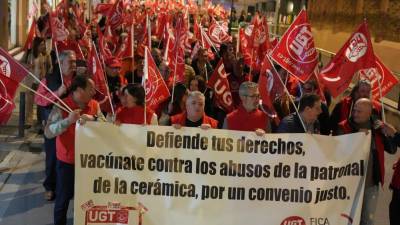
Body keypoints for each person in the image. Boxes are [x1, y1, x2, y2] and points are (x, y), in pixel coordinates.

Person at [44, 75, 105, 225]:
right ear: (79, 90)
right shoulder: (61, 105)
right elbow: (48, 132)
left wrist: (94, 120)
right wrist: (68, 121)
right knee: (63, 199)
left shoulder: (95, 105)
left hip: (89, 162)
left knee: (87, 199)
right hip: (67, 162)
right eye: (91, 89)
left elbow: (105, 125)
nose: (94, 92)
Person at [335, 98, 397, 225]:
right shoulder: (343, 127)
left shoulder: (378, 128)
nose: (355, 114)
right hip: (348, 185)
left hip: (371, 184)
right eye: (354, 110)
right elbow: (338, 154)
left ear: (369, 114)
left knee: (367, 220)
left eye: (359, 112)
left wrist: (389, 134)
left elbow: (392, 150)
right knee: (346, 219)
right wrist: (356, 137)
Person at [34, 50, 75, 201]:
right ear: (61, 63)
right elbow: (39, 99)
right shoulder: (49, 79)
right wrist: (58, 92)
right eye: (71, 62)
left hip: (72, 125)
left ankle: (67, 187)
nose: (74, 65)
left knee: (70, 158)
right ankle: (50, 187)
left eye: (75, 62)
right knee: (52, 157)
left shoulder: (78, 79)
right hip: (54, 125)